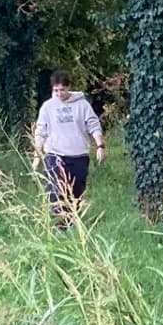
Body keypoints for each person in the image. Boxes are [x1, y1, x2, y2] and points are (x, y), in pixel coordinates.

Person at [34, 70, 104, 225]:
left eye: (62, 90)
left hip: (78, 155)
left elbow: (93, 125)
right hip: (55, 155)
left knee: (75, 193)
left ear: (68, 88)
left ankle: (70, 222)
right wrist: (37, 155)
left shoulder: (82, 105)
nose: (59, 93)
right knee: (56, 191)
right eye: (56, 90)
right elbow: (41, 132)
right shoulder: (47, 107)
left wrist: (100, 145)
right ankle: (59, 226)